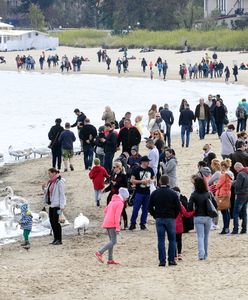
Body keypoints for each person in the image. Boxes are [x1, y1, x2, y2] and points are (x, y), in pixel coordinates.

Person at [149, 175, 181, 266]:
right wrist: (173, 215)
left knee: (161, 240)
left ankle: (162, 261)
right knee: (172, 239)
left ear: (160, 182)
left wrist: (155, 215)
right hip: (170, 218)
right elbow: (178, 207)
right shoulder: (173, 193)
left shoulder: (155, 193)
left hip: (159, 218)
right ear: (168, 182)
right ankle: (171, 260)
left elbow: (150, 207)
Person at [95, 188, 129, 265]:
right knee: (113, 241)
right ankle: (99, 252)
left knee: (111, 241)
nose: (127, 199)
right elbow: (117, 216)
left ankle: (110, 259)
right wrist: (118, 227)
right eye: (126, 197)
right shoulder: (120, 203)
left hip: (107, 222)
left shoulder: (112, 201)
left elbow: (105, 210)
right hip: (112, 223)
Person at [188, 176, 217, 260]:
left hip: (198, 217)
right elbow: (215, 205)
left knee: (200, 236)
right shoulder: (208, 193)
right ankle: (206, 255)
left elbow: (189, 207)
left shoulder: (194, 194)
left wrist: (194, 209)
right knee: (206, 237)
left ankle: (201, 254)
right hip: (208, 217)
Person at [129, 156, 155, 230]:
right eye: (147, 161)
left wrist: (151, 181)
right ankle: (133, 223)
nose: (148, 163)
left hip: (147, 192)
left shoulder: (150, 169)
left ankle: (143, 224)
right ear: (143, 162)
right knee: (135, 209)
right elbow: (132, 180)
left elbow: (154, 178)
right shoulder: (136, 169)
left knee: (145, 209)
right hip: (139, 192)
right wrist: (141, 181)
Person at [42, 168, 66, 245]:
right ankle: (55, 239)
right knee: (52, 222)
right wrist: (44, 188)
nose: (48, 175)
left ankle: (59, 239)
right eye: (48, 173)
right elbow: (49, 192)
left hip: (58, 205)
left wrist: (62, 206)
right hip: (52, 204)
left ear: (54, 173)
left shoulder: (59, 181)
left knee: (57, 222)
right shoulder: (51, 182)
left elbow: (62, 194)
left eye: (49, 173)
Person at [215, 159, 233, 234]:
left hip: (222, 194)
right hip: (227, 193)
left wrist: (216, 184)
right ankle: (226, 228)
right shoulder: (230, 174)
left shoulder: (224, 175)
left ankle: (225, 228)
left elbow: (217, 185)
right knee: (227, 212)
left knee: (224, 212)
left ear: (223, 166)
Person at [232, 162, 248, 234]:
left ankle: (235, 230)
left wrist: (233, 183)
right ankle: (244, 229)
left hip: (240, 195)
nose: (236, 171)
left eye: (236, 169)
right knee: (244, 213)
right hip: (246, 195)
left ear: (238, 167)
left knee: (235, 213)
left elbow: (238, 186)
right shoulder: (247, 172)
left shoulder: (240, 174)